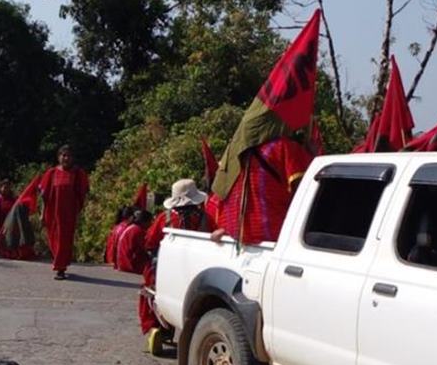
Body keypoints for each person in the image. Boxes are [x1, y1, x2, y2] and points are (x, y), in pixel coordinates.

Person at [211, 136, 312, 245]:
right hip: (280, 241)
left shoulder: (232, 158)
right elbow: (307, 190)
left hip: (235, 239)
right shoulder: (283, 147)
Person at [140, 178, 209, 337]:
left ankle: (154, 327)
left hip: (168, 268)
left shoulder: (165, 218)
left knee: (148, 289)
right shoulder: (205, 218)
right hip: (196, 268)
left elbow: (150, 241)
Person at [36, 146, 90, 280]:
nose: (66, 158)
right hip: (52, 213)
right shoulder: (52, 173)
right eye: (63, 155)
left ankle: (60, 268)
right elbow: (44, 195)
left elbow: (82, 194)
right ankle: (60, 263)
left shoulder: (77, 174)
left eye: (69, 156)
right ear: (58, 157)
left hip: (68, 215)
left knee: (64, 241)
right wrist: (42, 214)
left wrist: (81, 213)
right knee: (54, 240)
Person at [115, 209, 153, 274]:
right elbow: (144, 248)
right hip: (128, 264)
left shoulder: (133, 228)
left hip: (122, 262)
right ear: (144, 221)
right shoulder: (137, 230)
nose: (150, 224)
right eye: (150, 221)